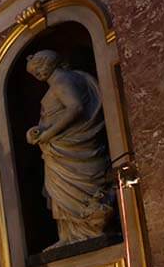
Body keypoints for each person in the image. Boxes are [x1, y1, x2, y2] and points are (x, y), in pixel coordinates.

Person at [24, 49, 113, 247]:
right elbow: (55, 114)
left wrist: (49, 133)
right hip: (58, 147)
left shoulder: (62, 80)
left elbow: (76, 108)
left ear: (49, 62)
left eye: (38, 69)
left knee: (78, 190)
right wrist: (39, 131)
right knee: (59, 191)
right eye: (34, 73)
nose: (37, 75)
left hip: (72, 146)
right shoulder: (59, 82)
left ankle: (89, 229)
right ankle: (69, 237)